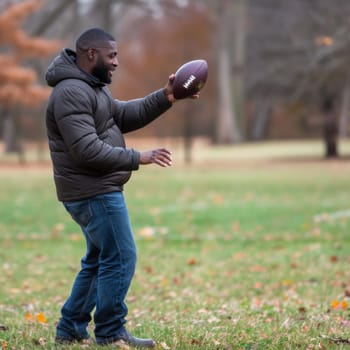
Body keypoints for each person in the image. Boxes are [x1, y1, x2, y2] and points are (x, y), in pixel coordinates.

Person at [45, 27, 198, 347]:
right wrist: (137, 157)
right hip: (94, 191)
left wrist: (166, 96)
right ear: (91, 54)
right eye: (111, 55)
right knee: (121, 256)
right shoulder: (71, 92)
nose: (116, 62)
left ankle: (71, 327)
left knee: (100, 259)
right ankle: (112, 331)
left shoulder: (93, 88)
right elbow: (85, 149)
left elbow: (122, 116)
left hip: (94, 189)